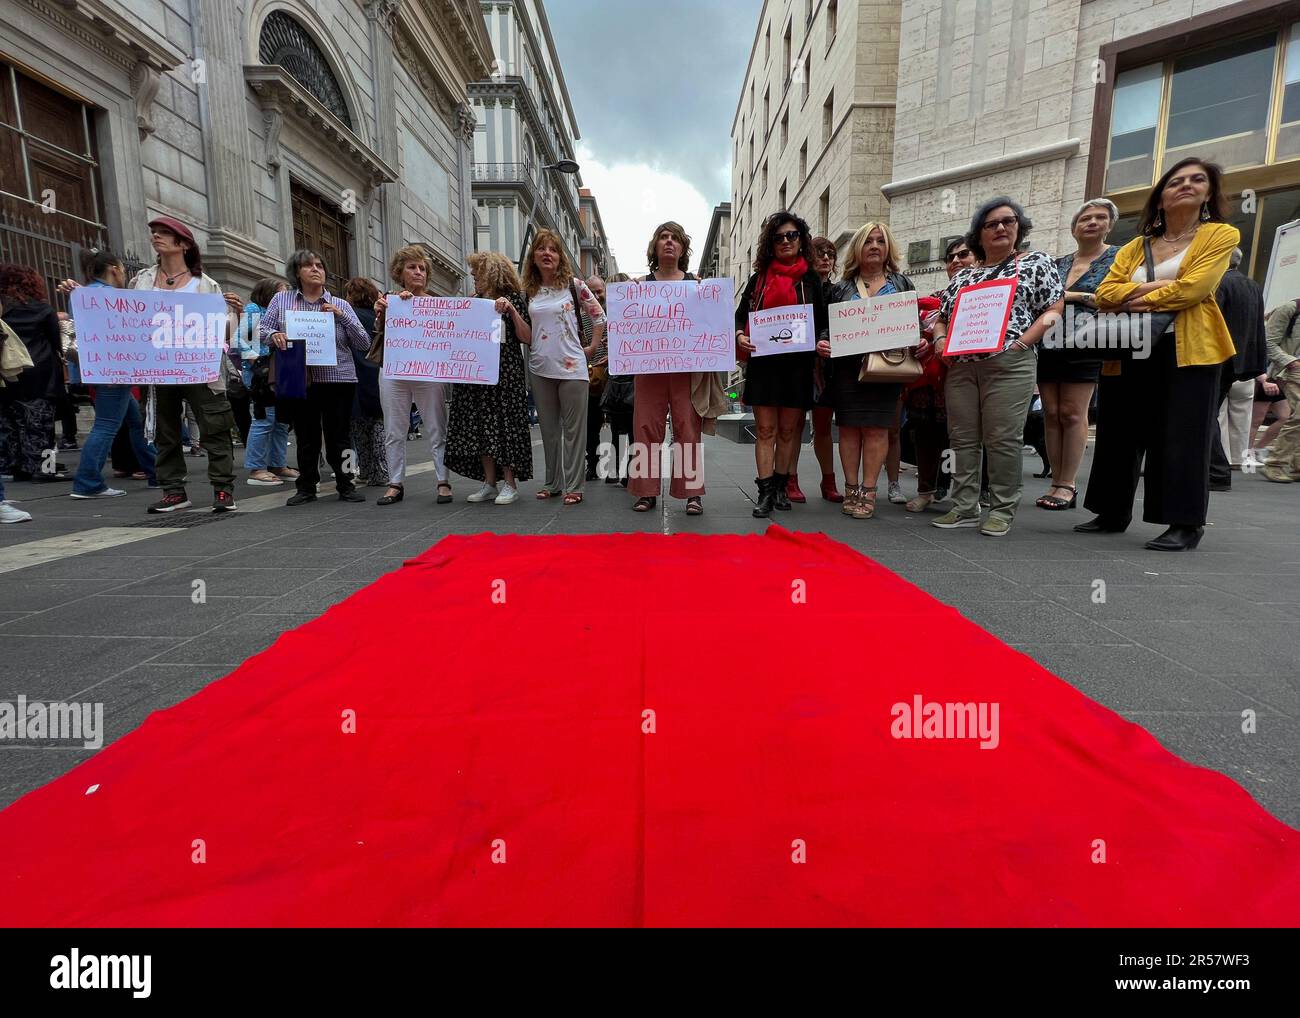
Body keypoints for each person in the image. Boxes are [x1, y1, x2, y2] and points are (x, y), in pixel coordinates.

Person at [1079, 158, 1239, 550]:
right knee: (1119, 429)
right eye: (1176, 181)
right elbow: (1104, 294)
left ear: (1209, 194)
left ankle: (1184, 523)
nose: (1186, 185)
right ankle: (1111, 511)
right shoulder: (1136, 246)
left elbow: (1194, 290)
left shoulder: (1220, 235)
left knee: (1183, 433)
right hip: (1128, 346)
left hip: (1188, 349)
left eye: (1197, 180)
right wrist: (1149, 295)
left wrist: (1133, 297)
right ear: (1161, 198)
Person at [930, 196, 1065, 537]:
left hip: (1009, 361)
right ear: (979, 233)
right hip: (961, 366)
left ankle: (1002, 508)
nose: (1001, 228)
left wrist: (1023, 342)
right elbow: (942, 319)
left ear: (1019, 227)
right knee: (962, 439)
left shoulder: (1035, 263)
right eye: (991, 224)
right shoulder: (963, 278)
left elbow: (1054, 307)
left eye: (1008, 221)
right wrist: (940, 341)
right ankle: (963, 507)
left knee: (1003, 438)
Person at [99, 216, 243, 513]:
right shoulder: (141, 283)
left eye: (165, 233)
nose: (156, 237)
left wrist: (234, 314)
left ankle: (223, 490)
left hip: (201, 370)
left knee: (215, 427)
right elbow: (126, 323)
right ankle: (174, 491)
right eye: (154, 233)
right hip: (158, 370)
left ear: (184, 244)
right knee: (165, 430)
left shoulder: (206, 285)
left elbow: (224, 335)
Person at [816, 223, 917, 519]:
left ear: (888, 249)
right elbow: (827, 326)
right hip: (848, 369)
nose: (874, 246)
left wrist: (920, 338)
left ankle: (869, 490)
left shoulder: (901, 283)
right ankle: (851, 488)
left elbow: (913, 324)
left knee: (876, 430)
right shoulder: (841, 288)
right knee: (848, 430)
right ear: (858, 248)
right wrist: (823, 341)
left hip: (887, 369)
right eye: (868, 241)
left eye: (880, 241)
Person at [260, 249, 373, 506]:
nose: (315, 269)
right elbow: (262, 330)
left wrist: (342, 317)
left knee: (340, 435)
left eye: (320, 265)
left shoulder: (341, 304)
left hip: (339, 379)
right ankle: (306, 487)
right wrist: (274, 336)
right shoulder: (282, 301)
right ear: (296, 273)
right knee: (306, 434)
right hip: (302, 377)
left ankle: (346, 483)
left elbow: (363, 342)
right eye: (308, 265)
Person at [736, 211, 825, 518]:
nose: (786, 241)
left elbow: (824, 322)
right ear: (770, 245)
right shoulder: (758, 280)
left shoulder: (811, 280)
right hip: (764, 366)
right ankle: (764, 492)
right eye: (779, 237)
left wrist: (822, 340)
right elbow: (740, 317)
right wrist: (739, 335)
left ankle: (780, 486)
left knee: (789, 432)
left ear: (801, 240)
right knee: (765, 430)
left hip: (798, 366)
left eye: (792, 235)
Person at [1036, 199, 1119, 510]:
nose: (1092, 222)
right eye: (1086, 218)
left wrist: (1071, 296)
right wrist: (1084, 297)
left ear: (1110, 224)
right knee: (1052, 412)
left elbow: (1113, 298)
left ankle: (1067, 484)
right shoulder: (1056, 263)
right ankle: (1055, 479)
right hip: (1048, 342)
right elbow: (1042, 299)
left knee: (1073, 412)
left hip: (1088, 342)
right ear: (1074, 227)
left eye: (1100, 217)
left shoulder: (1118, 257)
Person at [513, 229, 606, 505]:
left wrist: (590, 348)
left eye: (552, 249)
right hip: (540, 366)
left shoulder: (574, 285)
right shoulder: (528, 291)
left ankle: (574, 485)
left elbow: (599, 317)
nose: (547, 254)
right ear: (534, 257)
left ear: (559, 256)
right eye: (541, 249)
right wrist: (512, 312)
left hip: (573, 367)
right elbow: (527, 334)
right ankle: (552, 482)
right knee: (549, 430)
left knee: (574, 431)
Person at [628, 222, 707, 515]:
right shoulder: (641, 286)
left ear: (683, 248)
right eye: (663, 237)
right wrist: (630, 295)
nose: (669, 242)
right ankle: (645, 491)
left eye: (675, 238)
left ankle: (692, 493)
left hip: (685, 369)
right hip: (649, 368)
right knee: (646, 426)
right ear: (655, 246)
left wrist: (705, 294)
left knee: (688, 427)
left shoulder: (695, 285)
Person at [67, 249, 157, 498]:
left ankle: (155, 471)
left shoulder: (82, 296)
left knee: (134, 422)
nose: (124, 274)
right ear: (114, 269)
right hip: (117, 370)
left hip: (100, 370)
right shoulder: (115, 298)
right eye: (122, 269)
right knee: (106, 426)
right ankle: (87, 483)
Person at [445, 251, 533, 504]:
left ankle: (510, 483)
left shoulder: (514, 300)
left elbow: (528, 337)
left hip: (505, 374)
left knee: (505, 426)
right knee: (481, 427)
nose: (473, 277)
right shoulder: (473, 301)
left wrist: (513, 311)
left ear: (492, 273)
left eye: (477, 273)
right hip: (475, 375)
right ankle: (489, 482)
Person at [373, 246, 452, 506]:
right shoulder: (390, 301)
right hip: (394, 371)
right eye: (412, 267)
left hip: (427, 372)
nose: (418, 272)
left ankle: (443, 480)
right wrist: (385, 310)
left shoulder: (436, 303)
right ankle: (395, 482)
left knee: (436, 427)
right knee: (394, 429)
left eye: (422, 268)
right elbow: (379, 331)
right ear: (400, 272)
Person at [904, 239, 975, 512]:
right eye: (950, 257)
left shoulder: (991, 297)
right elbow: (914, 334)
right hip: (929, 384)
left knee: (964, 440)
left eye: (963, 254)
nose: (956, 261)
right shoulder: (932, 301)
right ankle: (926, 490)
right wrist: (919, 341)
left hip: (968, 379)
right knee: (925, 438)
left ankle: (969, 494)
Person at [0, 265, 68, 483]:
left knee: (13, 423)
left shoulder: (4, 311)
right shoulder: (43, 310)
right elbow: (57, 343)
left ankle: (19, 466)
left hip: (10, 373)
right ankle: (45, 469)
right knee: (42, 426)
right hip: (40, 373)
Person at [1208, 249, 1266, 491]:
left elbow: (1211, 321)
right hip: (1240, 360)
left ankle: (1216, 471)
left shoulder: (1219, 282)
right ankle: (1221, 467)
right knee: (1216, 413)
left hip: (1217, 356)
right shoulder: (1252, 285)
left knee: (1206, 414)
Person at [791, 235, 842, 503]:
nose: (825, 258)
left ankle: (828, 481)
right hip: (800, 366)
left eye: (830, 254)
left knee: (823, 425)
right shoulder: (799, 289)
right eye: (820, 253)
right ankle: (790, 479)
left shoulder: (840, 291)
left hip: (828, 368)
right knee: (795, 426)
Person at [240, 278, 297, 485]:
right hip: (263, 374)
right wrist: (258, 361)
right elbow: (244, 341)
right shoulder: (254, 310)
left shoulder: (277, 314)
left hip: (279, 370)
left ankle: (277, 463)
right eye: (280, 294)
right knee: (264, 418)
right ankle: (257, 468)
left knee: (281, 420)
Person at [345, 276, 387, 488]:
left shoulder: (349, 317)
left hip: (354, 375)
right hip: (377, 375)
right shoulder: (379, 317)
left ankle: (364, 469)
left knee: (358, 428)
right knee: (378, 425)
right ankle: (381, 471)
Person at [1261, 296, 1300, 484]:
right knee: (1298, 417)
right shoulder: (1290, 309)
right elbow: (1268, 342)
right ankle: (1275, 463)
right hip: (1292, 373)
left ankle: (1296, 465)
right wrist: (1291, 362)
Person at [584, 273, 609, 483]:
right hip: (590, 376)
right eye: (590, 291)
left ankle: (623, 467)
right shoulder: (580, 315)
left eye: (599, 291)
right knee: (591, 424)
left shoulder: (615, 312)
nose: (595, 295)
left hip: (615, 377)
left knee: (622, 423)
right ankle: (592, 464)